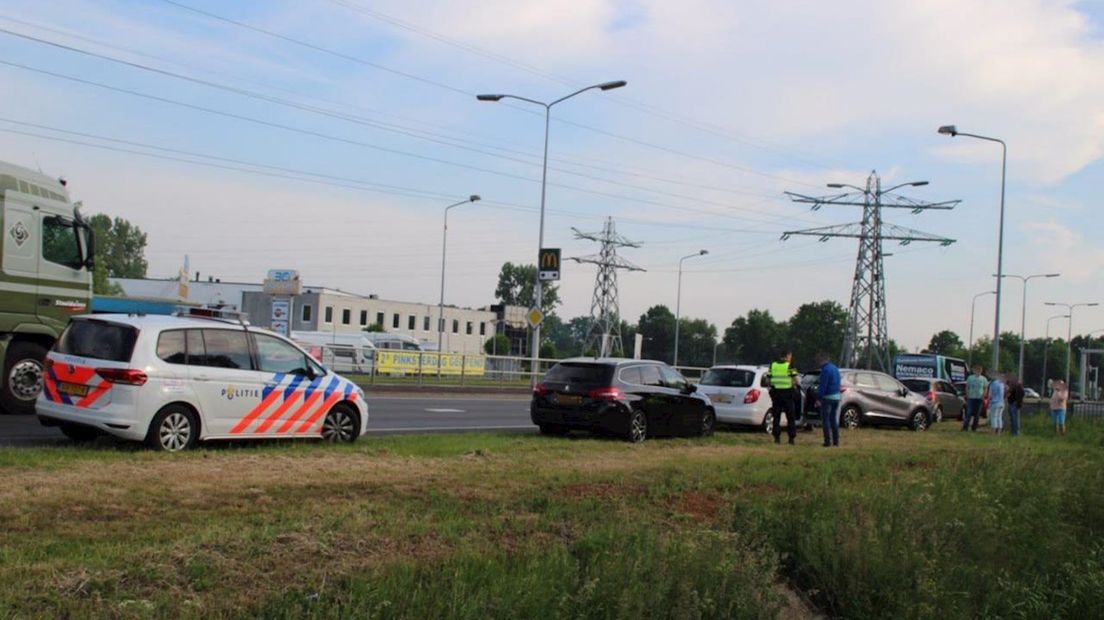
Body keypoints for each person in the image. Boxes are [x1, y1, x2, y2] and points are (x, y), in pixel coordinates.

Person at [766, 349, 799, 445]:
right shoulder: (789, 365)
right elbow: (796, 380)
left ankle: (777, 437)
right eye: (790, 356)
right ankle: (791, 438)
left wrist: (772, 387)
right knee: (790, 417)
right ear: (788, 355)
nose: (791, 358)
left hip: (776, 394)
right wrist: (795, 386)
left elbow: (768, 380)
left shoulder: (773, 365)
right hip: (788, 394)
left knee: (776, 416)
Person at [815, 352, 841, 447]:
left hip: (828, 398)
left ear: (822, 360)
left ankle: (827, 441)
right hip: (837, 397)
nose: (818, 363)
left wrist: (819, 398)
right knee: (833, 419)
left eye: (818, 361)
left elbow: (823, 386)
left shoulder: (825, 370)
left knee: (826, 420)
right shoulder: (835, 369)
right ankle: (836, 441)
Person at [963, 365, 987, 431]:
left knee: (977, 414)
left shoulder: (983, 379)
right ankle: (965, 427)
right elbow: (967, 387)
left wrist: (983, 396)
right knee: (969, 413)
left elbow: (985, 388)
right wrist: (967, 395)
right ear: (974, 371)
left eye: (980, 370)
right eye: (977, 370)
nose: (978, 371)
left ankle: (974, 428)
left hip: (979, 398)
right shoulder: (970, 378)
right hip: (971, 398)